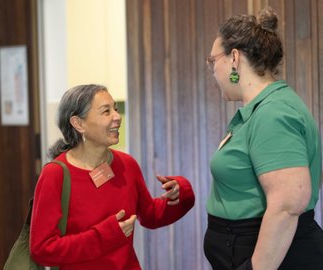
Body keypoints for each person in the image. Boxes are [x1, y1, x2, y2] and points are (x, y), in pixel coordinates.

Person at [203, 7, 323, 270]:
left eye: (213, 61)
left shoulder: (274, 113)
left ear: (234, 58)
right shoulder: (261, 109)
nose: (213, 71)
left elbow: (288, 204)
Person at [29, 84, 195, 269]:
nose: (117, 117)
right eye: (106, 112)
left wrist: (181, 193)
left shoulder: (126, 164)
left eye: (115, 109)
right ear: (78, 123)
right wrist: (105, 235)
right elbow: (42, 249)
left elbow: (150, 215)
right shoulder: (55, 174)